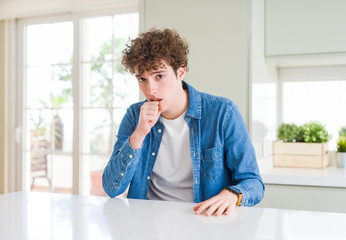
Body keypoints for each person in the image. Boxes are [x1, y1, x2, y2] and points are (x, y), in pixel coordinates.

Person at [102, 28, 264, 217]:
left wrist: (231, 195)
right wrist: (139, 134)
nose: (150, 89)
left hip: (201, 221)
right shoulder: (134, 115)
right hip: (146, 223)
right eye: (142, 79)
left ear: (181, 73)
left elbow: (253, 182)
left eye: (159, 76)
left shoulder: (223, 112)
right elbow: (111, 188)